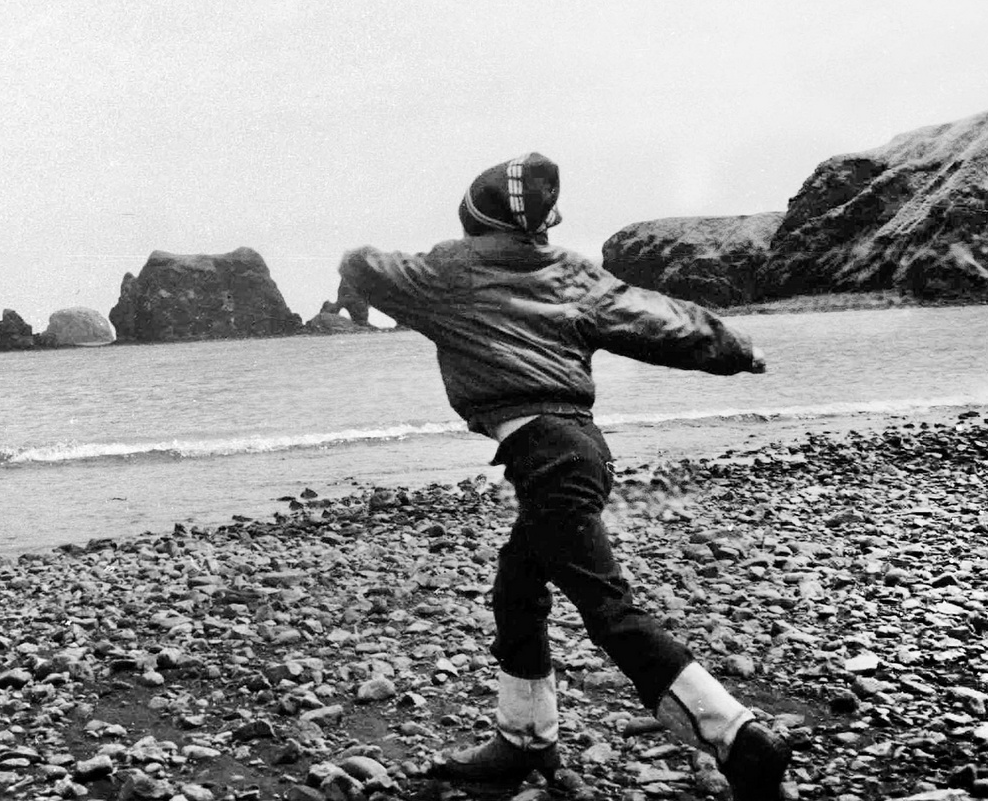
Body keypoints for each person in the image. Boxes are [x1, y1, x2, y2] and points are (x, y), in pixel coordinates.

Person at [338, 153, 791, 801]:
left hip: (549, 459)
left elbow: (369, 269)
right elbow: (653, 318)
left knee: (610, 612)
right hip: (578, 450)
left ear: (473, 216)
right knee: (517, 589)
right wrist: (736, 350)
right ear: (544, 224)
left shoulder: (448, 270)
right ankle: (524, 740)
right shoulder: (569, 275)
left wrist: (350, 264)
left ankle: (740, 741)